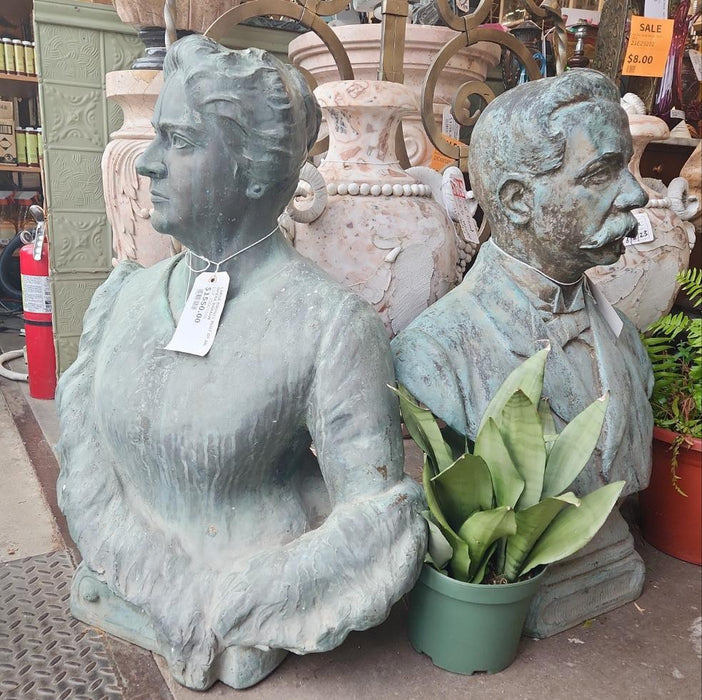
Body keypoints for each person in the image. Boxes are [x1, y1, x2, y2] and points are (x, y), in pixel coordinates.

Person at [56, 35, 425, 691]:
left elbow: (376, 518)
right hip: (125, 572)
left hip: (247, 588)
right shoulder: (123, 296)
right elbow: (85, 455)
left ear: (255, 170)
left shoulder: (331, 327)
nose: (147, 163)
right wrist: (166, 587)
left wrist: (226, 605)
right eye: (156, 137)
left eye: (182, 140)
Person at [392, 69, 653, 499]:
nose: (635, 194)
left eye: (624, 168)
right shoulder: (434, 352)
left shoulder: (626, 339)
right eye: (600, 174)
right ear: (518, 201)